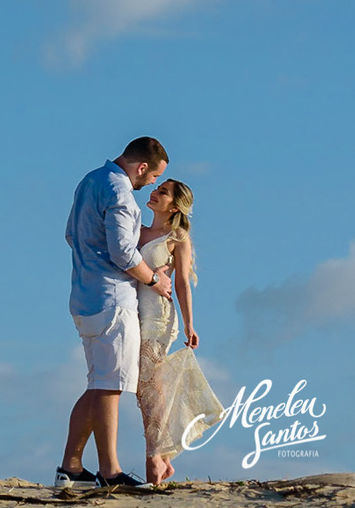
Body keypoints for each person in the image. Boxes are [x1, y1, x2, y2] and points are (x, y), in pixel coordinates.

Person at [55, 137, 171, 492]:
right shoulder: (120, 192)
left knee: (97, 382)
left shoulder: (90, 180)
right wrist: (155, 280)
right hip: (112, 300)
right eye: (154, 176)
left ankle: (71, 466)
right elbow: (123, 253)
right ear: (141, 168)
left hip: (83, 295)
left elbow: (71, 235)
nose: (151, 183)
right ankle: (110, 470)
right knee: (111, 385)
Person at [135, 178, 224, 484]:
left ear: (173, 206)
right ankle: (162, 455)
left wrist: (189, 324)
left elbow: (183, 282)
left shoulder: (177, 237)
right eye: (156, 188)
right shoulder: (138, 228)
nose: (154, 192)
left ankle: (156, 459)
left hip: (160, 318)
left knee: (148, 390)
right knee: (144, 389)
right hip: (134, 314)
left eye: (162, 192)